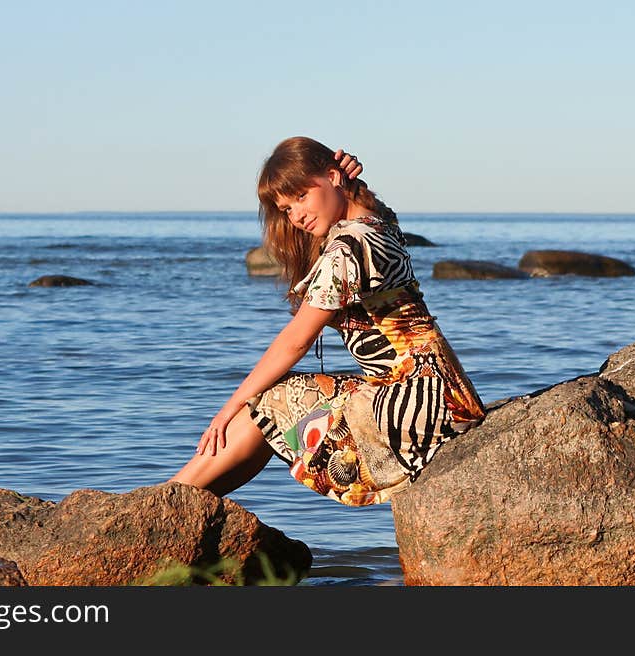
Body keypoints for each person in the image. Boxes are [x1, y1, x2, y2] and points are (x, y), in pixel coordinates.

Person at [169, 136, 485, 505]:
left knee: (270, 400)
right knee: (272, 408)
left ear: (333, 176)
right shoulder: (377, 223)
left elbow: (296, 342)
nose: (297, 216)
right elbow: (364, 200)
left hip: (418, 403)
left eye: (301, 196)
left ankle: (168, 497)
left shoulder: (347, 249)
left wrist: (226, 411)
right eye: (286, 208)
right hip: (442, 391)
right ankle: (185, 501)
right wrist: (345, 181)